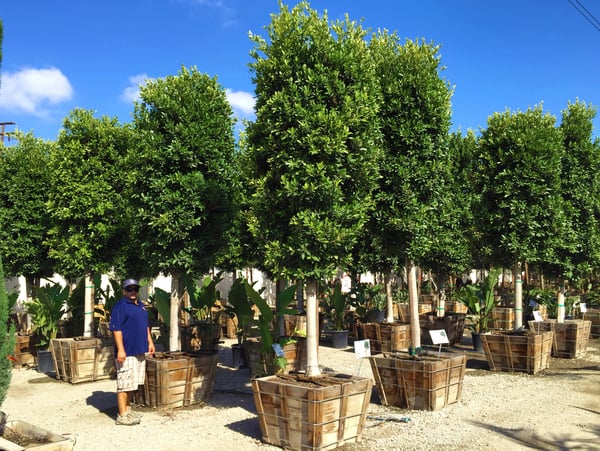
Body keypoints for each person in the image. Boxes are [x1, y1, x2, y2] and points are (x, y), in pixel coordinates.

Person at [109, 278, 155, 426]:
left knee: (133, 382)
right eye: (129, 289)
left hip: (140, 349)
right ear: (124, 291)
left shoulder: (140, 305)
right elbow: (116, 329)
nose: (133, 292)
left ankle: (128, 410)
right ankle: (122, 415)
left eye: (135, 289)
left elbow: (145, 325)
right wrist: (121, 350)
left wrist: (150, 342)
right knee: (124, 383)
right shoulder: (120, 307)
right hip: (127, 351)